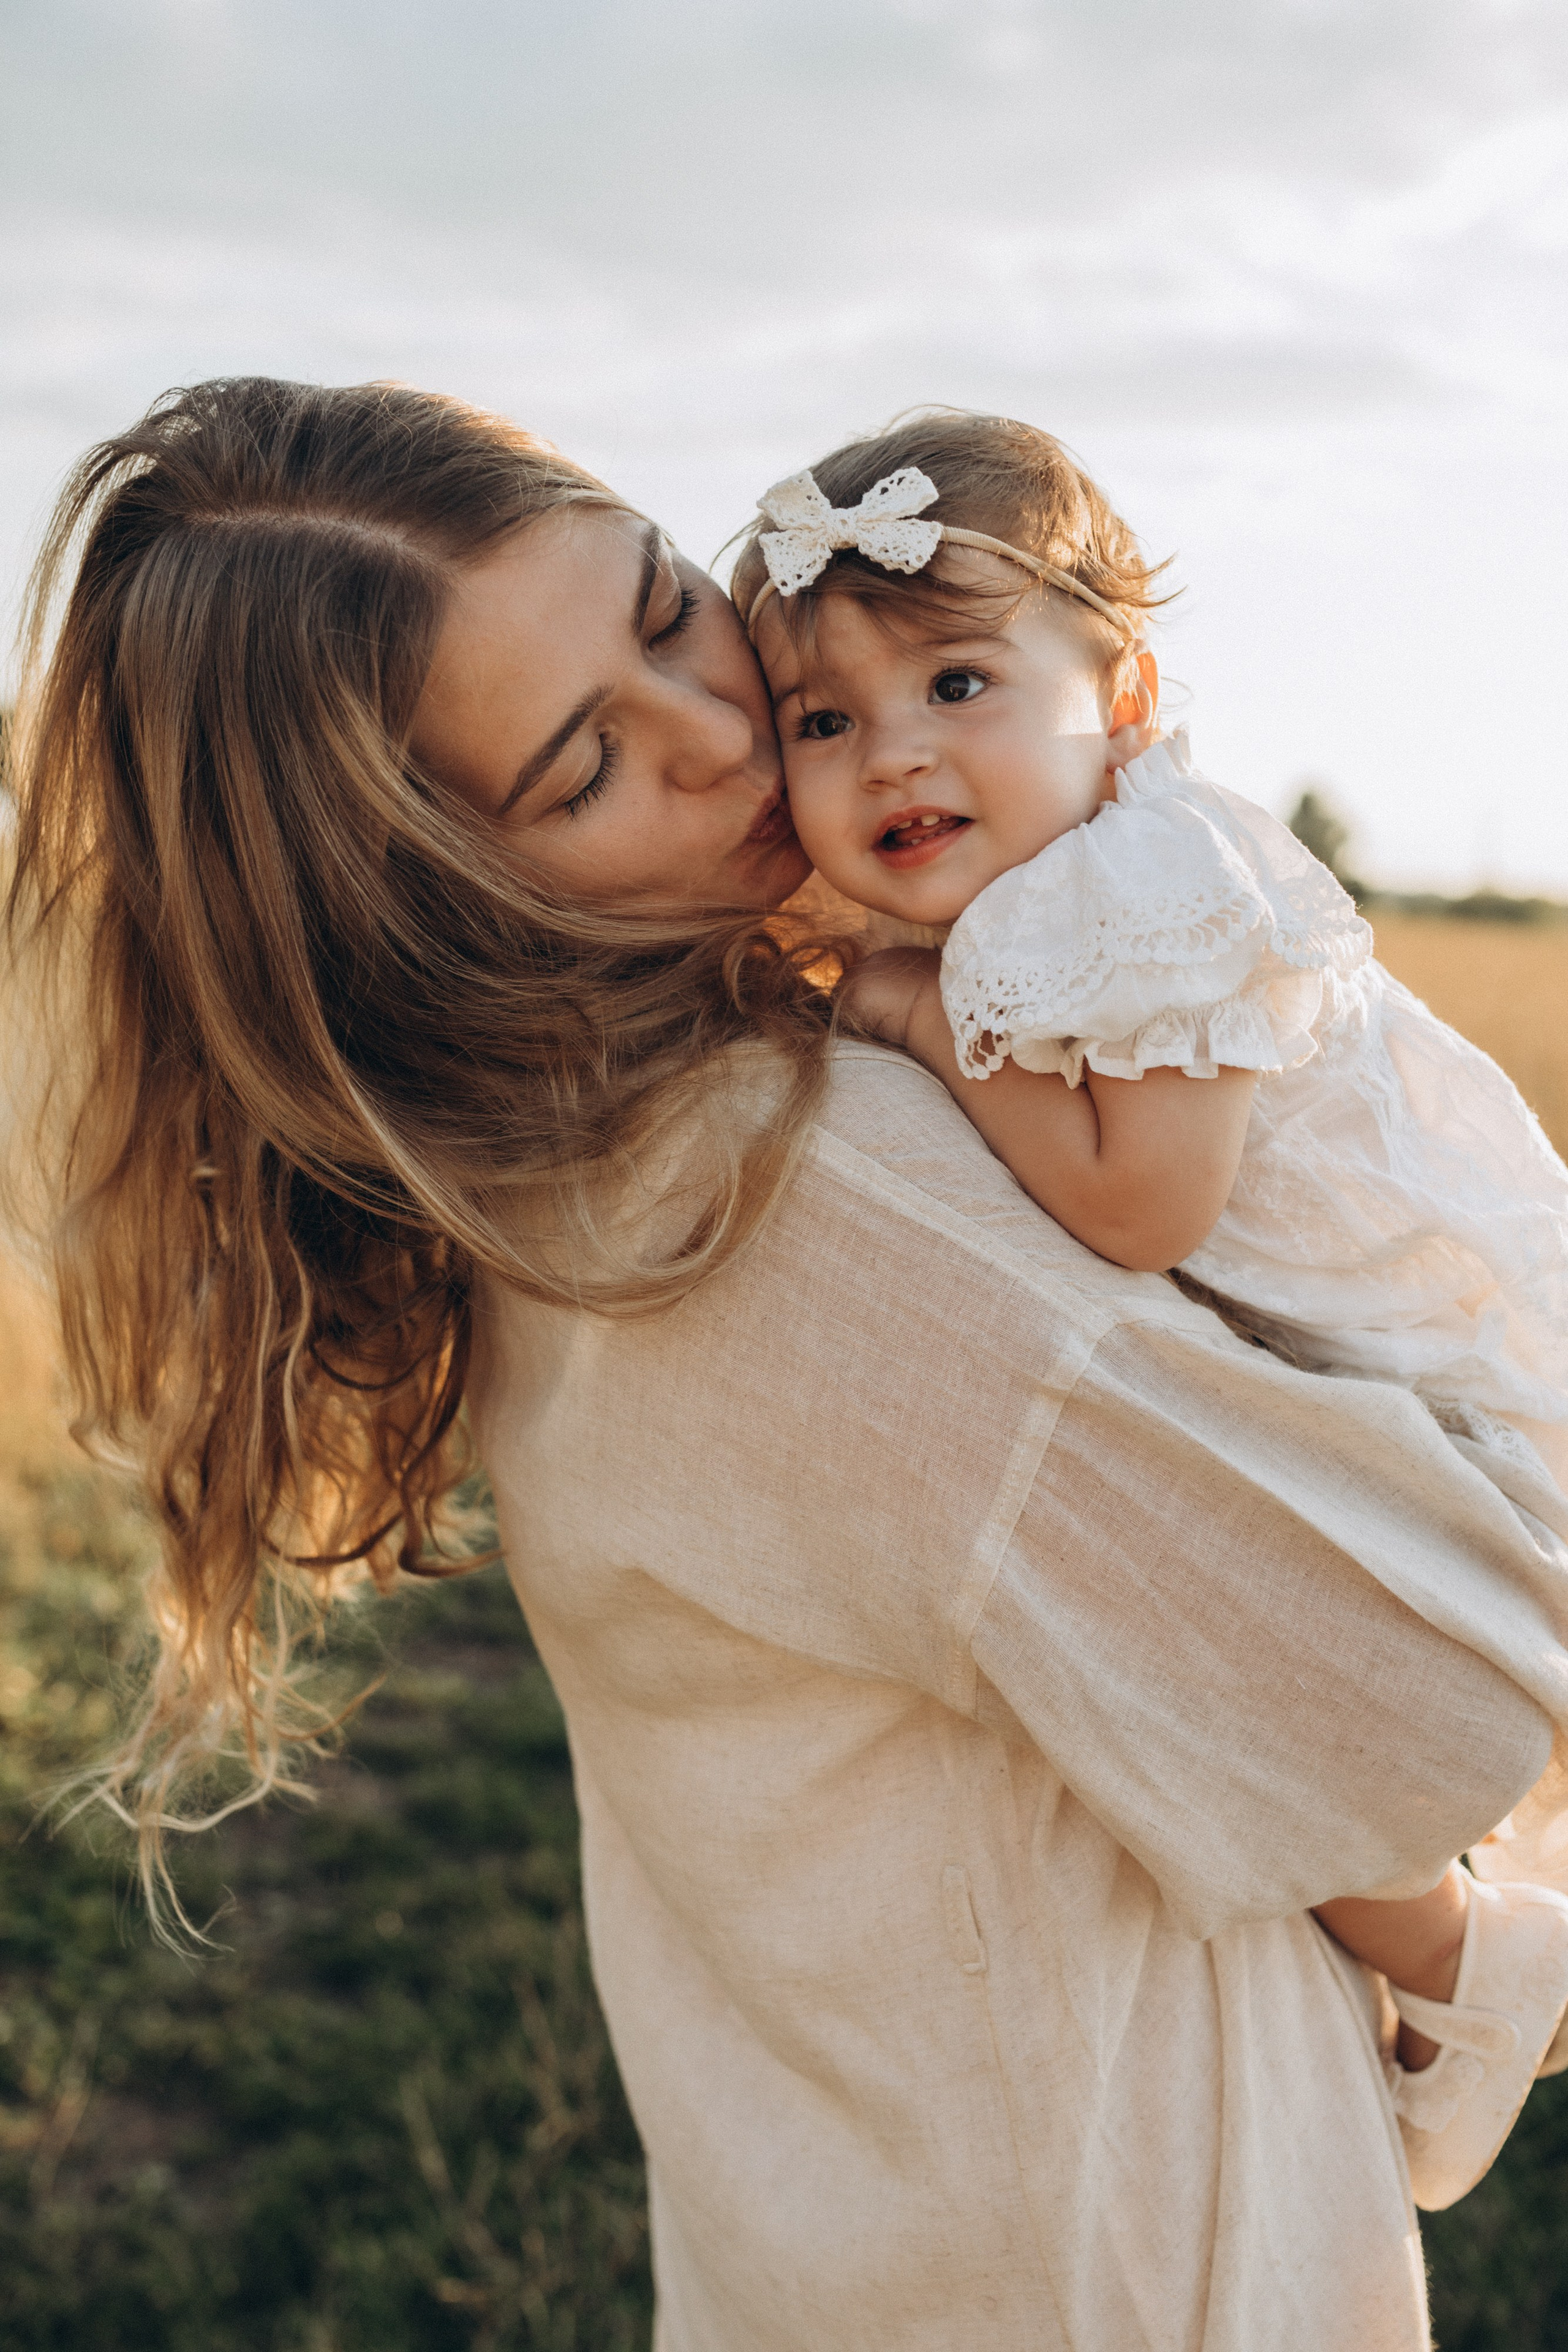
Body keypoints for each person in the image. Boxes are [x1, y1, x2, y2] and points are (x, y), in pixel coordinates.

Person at [6, 375, 1568, 2352]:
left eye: (669, 612)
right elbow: (1431, 1706)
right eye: (584, 773)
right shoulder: (799, 1197)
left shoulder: (553, 1168)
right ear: (425, 909)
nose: (732, 734)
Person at [729, 410, 1568, 2203]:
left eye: (959, 680)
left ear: (1123, 692)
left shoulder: (1151, 884)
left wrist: (913, 1021)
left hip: (1429, 1382)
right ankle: (1445, 1960)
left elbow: (1138, 1200)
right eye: (824, 719)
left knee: (1233, 1661)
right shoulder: (1041, 879)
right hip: (1319, 1374)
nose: (894, 753)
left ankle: (1466, 1963)